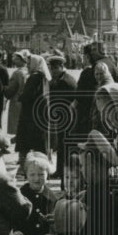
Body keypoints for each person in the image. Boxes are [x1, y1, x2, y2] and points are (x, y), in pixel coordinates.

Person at [15, 152, 59, 235]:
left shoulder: (52, 198)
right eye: (32, 174)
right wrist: (14, 232)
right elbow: (10, 217)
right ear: (26, 175)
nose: (36, 178)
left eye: (41, 174)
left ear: (47, 174)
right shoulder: (19, 196)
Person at [15, 54, 52, 175]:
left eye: (29, 63)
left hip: (29, 116)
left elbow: (27, 95)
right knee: (39, 144)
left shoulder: (34, 77)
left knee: (24, 143)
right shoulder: (44, 77)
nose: (27, 65)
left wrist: (20, 97)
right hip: (39, 115)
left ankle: (24, 169)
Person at [47, 54, 78, 184]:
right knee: (62, 144)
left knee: (64, 145)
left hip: (68, 119)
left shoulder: (65, 82)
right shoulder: (61, 79)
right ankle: (61, 170)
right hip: (64, 118)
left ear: (61, 67)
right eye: (51, 68)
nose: (52, 71)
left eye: (55, 68)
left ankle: (62, 171)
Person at [4, 49, 29, 139]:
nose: (14, 60)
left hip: (16, 101)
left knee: (17, 122)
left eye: (17, 59)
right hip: (26, 102)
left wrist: (5, 89)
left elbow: (10, 90)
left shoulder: (17, 73)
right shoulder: (28, 71)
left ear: (23, 60)